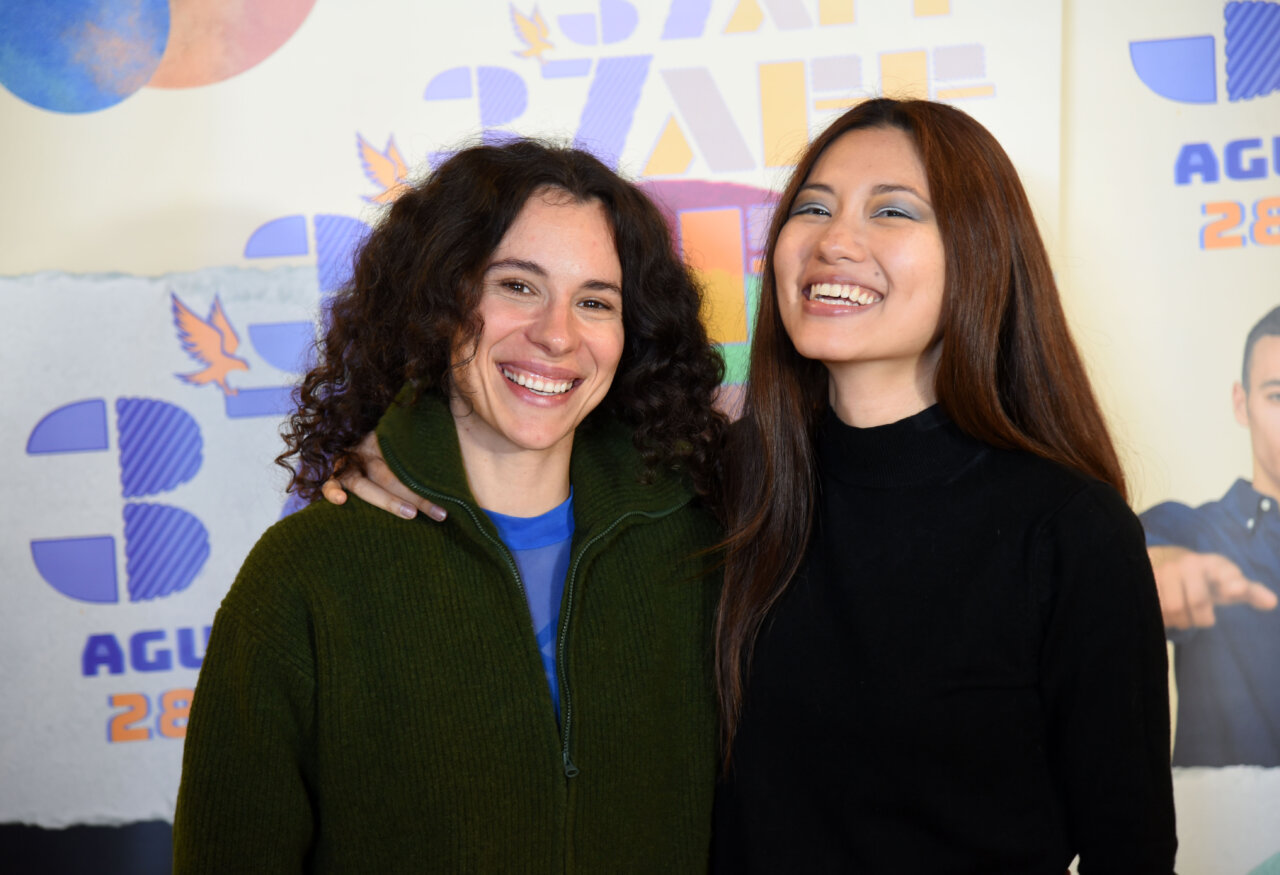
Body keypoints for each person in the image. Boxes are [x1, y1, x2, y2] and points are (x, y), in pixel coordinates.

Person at [332, 100, 1178, 871]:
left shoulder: (1071, 530)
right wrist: (400, 449)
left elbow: (1130, 847)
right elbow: (525, 436)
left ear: (981, 252)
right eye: (813, 207)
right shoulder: (714, 487)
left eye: (891, 210)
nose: (834, 241)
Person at [172, 140, 728, 872]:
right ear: (438, 301)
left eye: (595, 302)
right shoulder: (307, 573)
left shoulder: (703, 545)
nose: (557, 334)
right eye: (518, 286)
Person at [1141, 306, 1280, 767]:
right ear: (1242, 403)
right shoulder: (1195, 531)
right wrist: (1157, 570)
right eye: (1278, 396)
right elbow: (1127, 553)